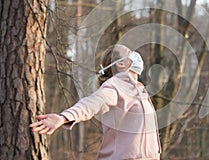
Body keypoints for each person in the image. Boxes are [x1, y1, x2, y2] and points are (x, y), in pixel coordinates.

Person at [30, 44, 161, 160]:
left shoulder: (139, 90)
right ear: (120, 64)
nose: (136, 56)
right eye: (130, 53)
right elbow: (92, 103)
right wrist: (64, 117)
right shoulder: (115, 86)